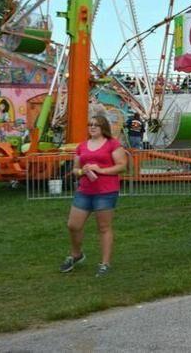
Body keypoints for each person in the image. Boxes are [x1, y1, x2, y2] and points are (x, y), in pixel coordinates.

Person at [60, 114, 128, 277]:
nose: (92, 127)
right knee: (73, 225)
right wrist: (82, 171)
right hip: (85, 190)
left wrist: (101, 170)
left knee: (104, 227)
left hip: (105, 192)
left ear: (103, 127)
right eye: (90, 124)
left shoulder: (113, 144)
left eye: (96, 125)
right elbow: (76, 169)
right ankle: (76, 254)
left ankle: (105, 263)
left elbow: (122, 166)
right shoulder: (82, 146)